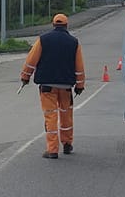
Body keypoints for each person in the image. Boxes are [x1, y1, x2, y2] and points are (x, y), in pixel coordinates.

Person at [20, 13, 86, 159]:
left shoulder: (43, 40)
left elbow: (31, 60)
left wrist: (25, 77)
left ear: (53, 24)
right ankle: (67, 143)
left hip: (47, 86)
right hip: (66, 86)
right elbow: (79, 66)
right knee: (66, 115)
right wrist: (80, 85)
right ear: (66, 25)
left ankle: (52, 150)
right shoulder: (74, 42)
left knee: (50, 116)